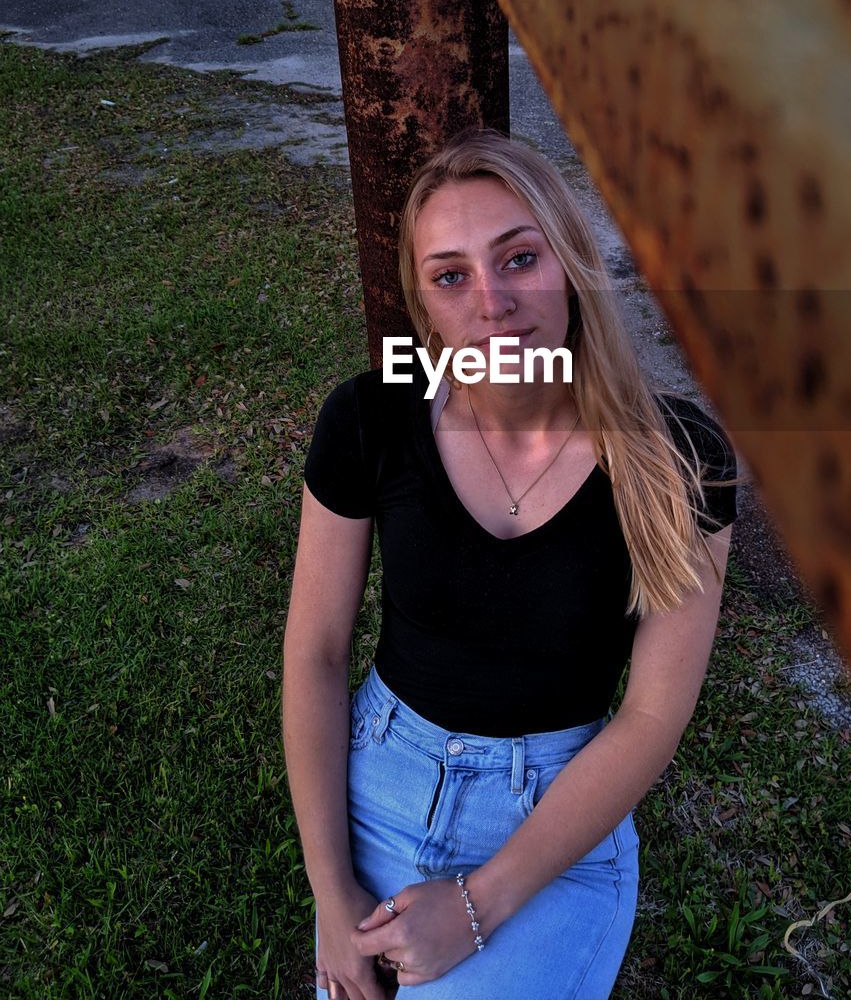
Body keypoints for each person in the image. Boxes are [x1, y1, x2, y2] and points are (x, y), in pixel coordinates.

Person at [282, 131, 738, 1000]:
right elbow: (315, 653)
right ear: (426, 306)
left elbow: (648, 718)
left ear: (567, 262)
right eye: (451, 276)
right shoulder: (372, 417)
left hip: (552, 823)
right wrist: (331, 894)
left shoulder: (680, 458)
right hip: (377, 779)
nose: (492, 303)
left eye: (518, 258)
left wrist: (478, 905)